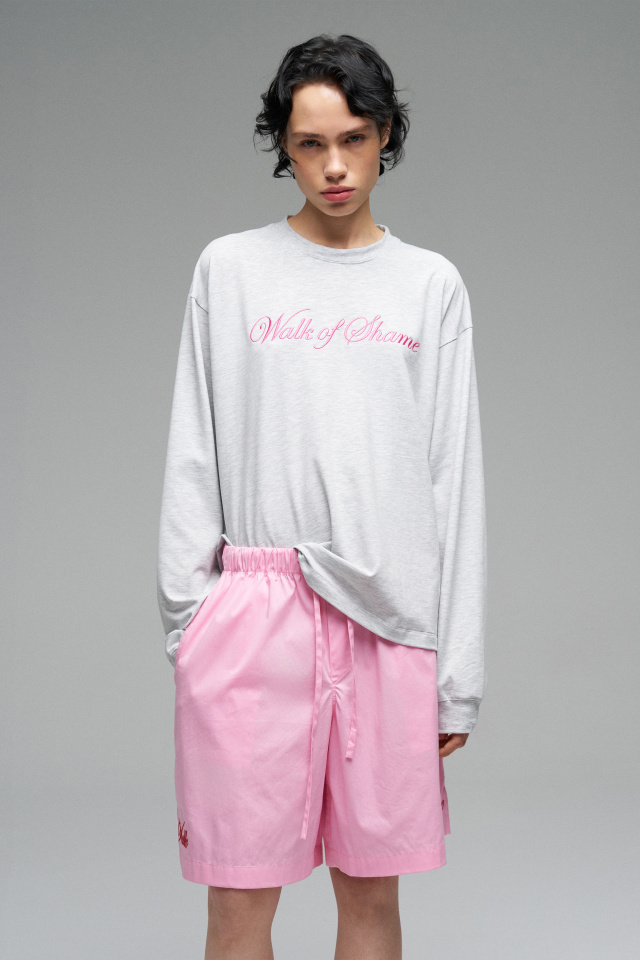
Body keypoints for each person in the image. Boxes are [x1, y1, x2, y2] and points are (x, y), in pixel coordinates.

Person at [157, 32, 487, 960]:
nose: (334, 166)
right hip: (252, 615)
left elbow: (453, 482)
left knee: (372, 895)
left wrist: (455, 681)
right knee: (238, 902)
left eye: (354, 138)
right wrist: (190, 627)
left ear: (385, 136)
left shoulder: (429, 285)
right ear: (284, 147)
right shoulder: (230, 270)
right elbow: (193, 452)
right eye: (309, 144)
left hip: (388, 619)